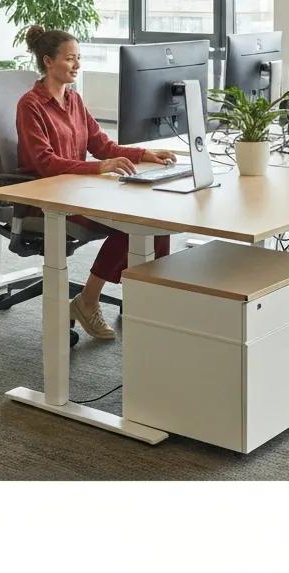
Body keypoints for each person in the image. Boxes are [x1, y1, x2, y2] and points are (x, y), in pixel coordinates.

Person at [16, 25, 177, 340]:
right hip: (49, 198)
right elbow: (45, 163)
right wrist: (100, 167)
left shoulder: (73, 99)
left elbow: (102, 145)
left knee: (157, 220)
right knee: (131, 224)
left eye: (78, 57)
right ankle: (88, 301)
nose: (77, 64)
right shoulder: (30, 105)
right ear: (48, 61)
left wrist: (144, 153)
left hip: (80, 191)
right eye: (70, 59)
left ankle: (146, 300)